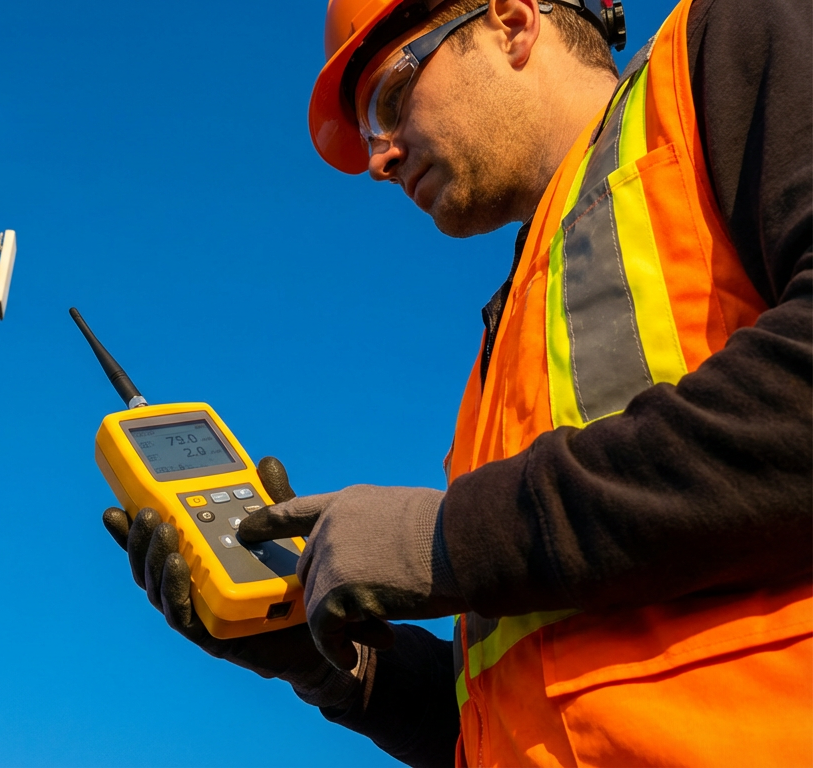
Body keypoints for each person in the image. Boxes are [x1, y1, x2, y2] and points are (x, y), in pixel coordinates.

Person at [100, 0, 811, 764]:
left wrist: (442, 541)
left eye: (390, 99)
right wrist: (337, 666)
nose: (380, 158)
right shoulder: (503, 355)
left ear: (509, 21)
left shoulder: (725, 42)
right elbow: (517, 710)